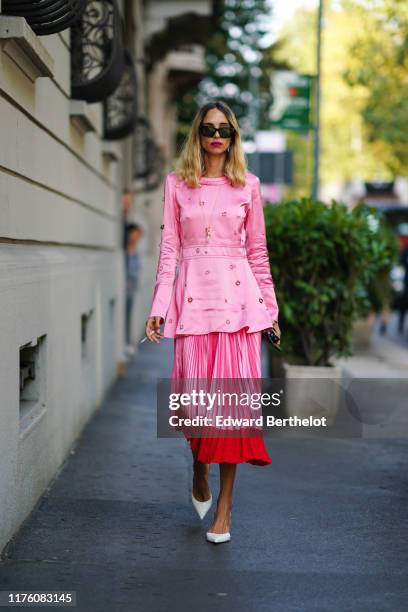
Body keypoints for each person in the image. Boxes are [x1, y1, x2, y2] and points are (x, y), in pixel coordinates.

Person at [145, 100, 281, 544]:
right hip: (193, 306)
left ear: (234, 136)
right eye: (209, 129)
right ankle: (198, 467)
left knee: (231, 413)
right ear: (198, 135)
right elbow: (169, 254)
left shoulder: (249, 186)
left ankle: (224, 511)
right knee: (197, 407)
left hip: (240, 309)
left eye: (225, 129)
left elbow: (258, 253)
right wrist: (158, 307)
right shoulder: (176, 185)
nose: (217, 136)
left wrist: (270, 311)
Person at [125, 223, 143, 355]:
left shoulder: (135, 251)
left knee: (129, 316)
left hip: (131, 288)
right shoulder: (126, 252)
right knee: (125, 316)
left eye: (138, 235)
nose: (136, 238)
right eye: (135, 234)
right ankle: (126, 343)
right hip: (125, 288)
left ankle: (128, 343)